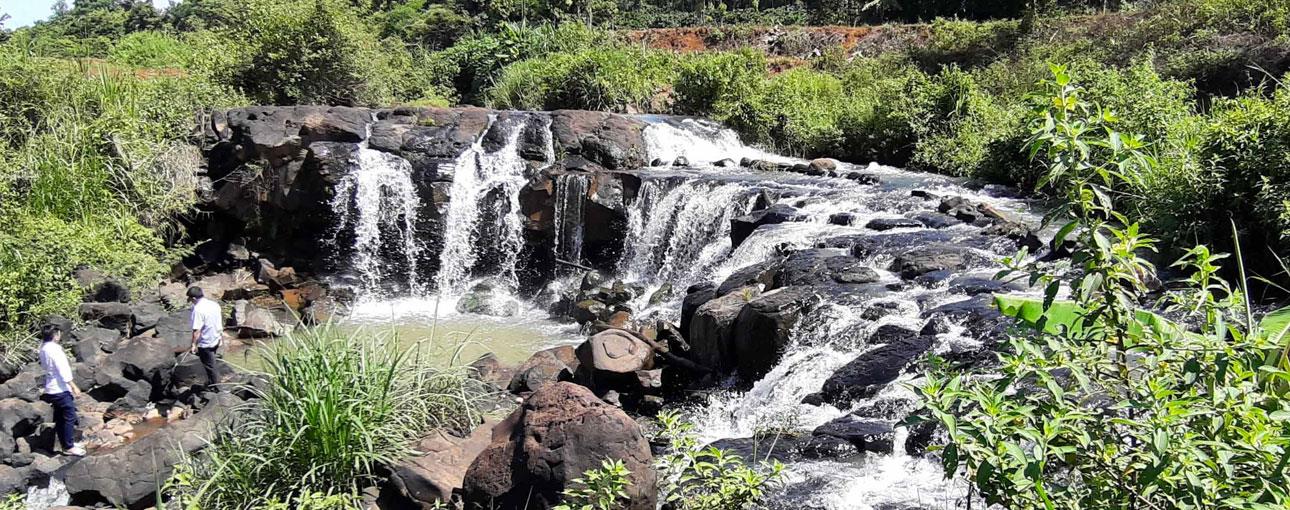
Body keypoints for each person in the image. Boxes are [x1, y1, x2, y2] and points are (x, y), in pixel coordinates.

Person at [39, 324, 85, 457]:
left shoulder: (43, 348)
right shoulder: (55, 350)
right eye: (58, 333)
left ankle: (66, 443)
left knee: (60, 417)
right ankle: (69, 447)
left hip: (51, 388)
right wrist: (73, 385)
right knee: (69, 416)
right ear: (55, 335)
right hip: (60, 389)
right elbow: (62, 368)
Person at [187, 286, 223, 391]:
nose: (190, 302)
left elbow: (196, 330)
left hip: (206, 342)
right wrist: (220, 336)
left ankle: (216, 388)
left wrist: (193, 345)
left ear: (193, 298)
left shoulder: (198, 310)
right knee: (212, 361)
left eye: (190, 299)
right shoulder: (214, 304)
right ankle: (212, 383)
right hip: (216, 337)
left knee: (210, 366)